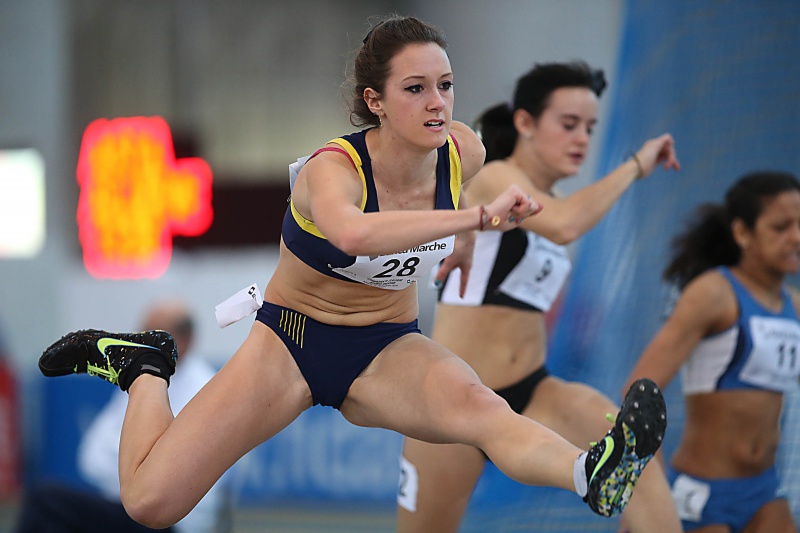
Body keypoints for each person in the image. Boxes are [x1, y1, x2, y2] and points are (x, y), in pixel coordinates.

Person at [37, 15, 666, 529]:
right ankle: (144, 366)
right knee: (149, 504)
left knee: (483, 408)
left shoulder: (463, 153)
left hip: (386, 346)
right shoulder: (331, 170)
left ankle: (591, 474)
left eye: (446, 85)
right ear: (376, 102)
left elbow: (452, 207)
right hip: (291, 343)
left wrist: (465, 243)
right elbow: (355, 234)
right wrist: (474, 220)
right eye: (415, 89)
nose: (437, 103)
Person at [397, 61, 683, 533]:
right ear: (525, 123)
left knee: (637, 456)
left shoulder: (554, 199)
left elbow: (564, 220)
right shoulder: (494, 177)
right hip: (453, 399)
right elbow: (566, 222)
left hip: (532, 390)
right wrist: (635, 165)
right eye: (568, 124)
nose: (581, 139)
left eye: (590, 128)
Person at [624, 171, 800, 533]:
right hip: (704, 495)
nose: (796, 237)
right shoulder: (713, 294)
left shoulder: (794, 306)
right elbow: (638, 390)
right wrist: (647, 488)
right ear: (742, 233)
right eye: (781, 227)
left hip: (765, 491)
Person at [16, 299, 226, 533]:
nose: (141, 343)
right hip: (126, 505)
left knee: (46, 503)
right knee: (48, 507)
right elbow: (91, 457)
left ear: (186, 340)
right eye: (142, 335)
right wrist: (139, 464)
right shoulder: (142, 378)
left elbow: (170, 474)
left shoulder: (204, 388)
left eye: (154, 337)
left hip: (176, 521)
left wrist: (131, 461)